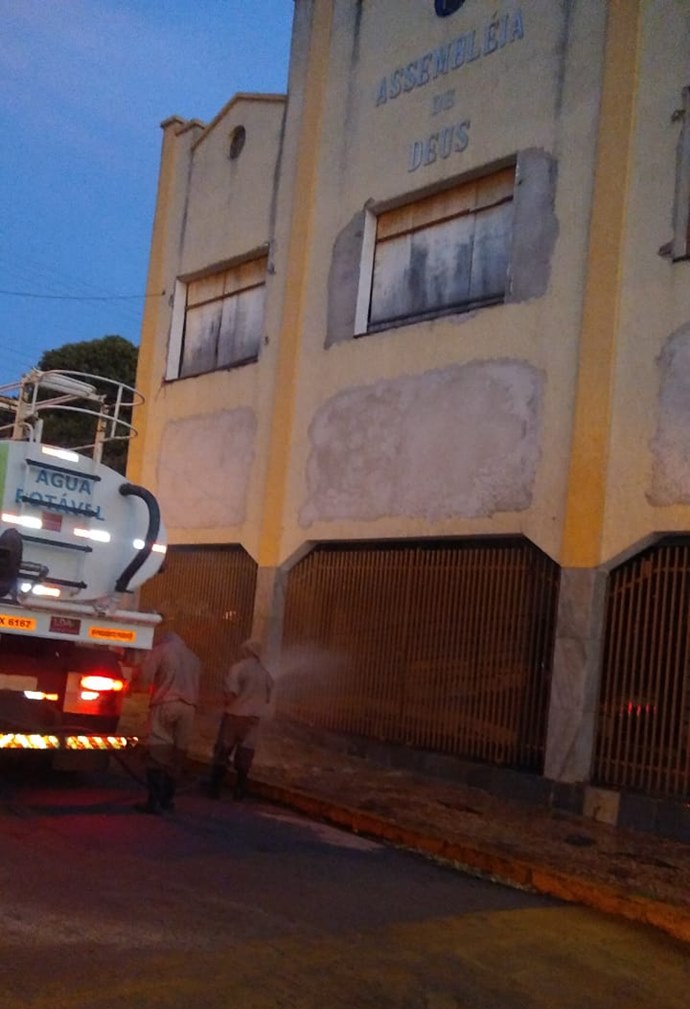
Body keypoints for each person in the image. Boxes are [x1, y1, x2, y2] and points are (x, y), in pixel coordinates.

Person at [135, 629, 201, 815]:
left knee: (158, 748)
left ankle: (153, 801)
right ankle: (168, 799)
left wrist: (138, 684)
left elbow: (146, 677)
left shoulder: (161, 650)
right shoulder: (193, 657)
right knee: (178, 752)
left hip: (166, 703)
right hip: (189, 708)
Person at [209, 639, 273, 800]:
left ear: (246, 651)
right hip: (253, 721)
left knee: (223, 752)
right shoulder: (266, 674)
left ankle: (214, 789)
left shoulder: (238, 668)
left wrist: (222, 704)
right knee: (245, 755)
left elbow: (231, 694)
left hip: (235, 716)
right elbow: (267, 698)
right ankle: (239, 791)